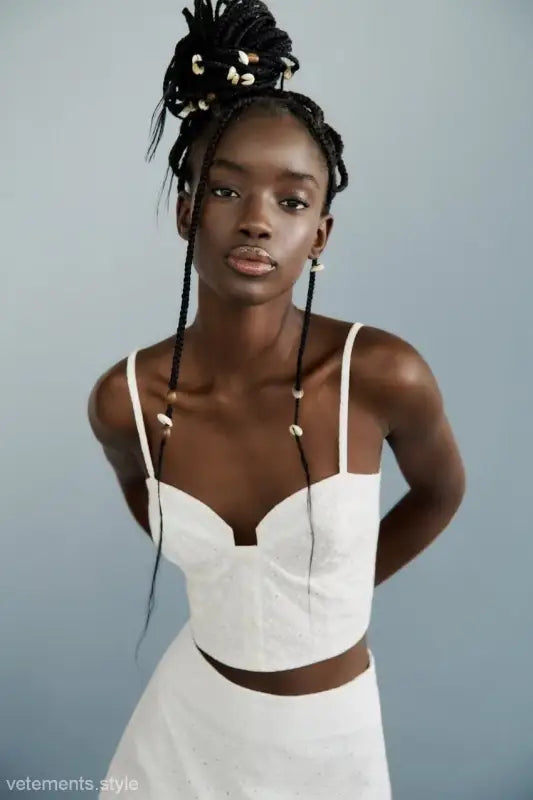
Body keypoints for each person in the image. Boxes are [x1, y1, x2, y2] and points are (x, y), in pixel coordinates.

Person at [88, 1, 466, 797]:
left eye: (291, 202)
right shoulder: (125, 398)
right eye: (226, 193)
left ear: (319, 235)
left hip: (328, 741)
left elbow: (439, 493)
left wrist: (328, 594)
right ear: (187, 213)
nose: (257, 221)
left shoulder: (379, 374)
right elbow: (141, 491)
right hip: (181, 735)